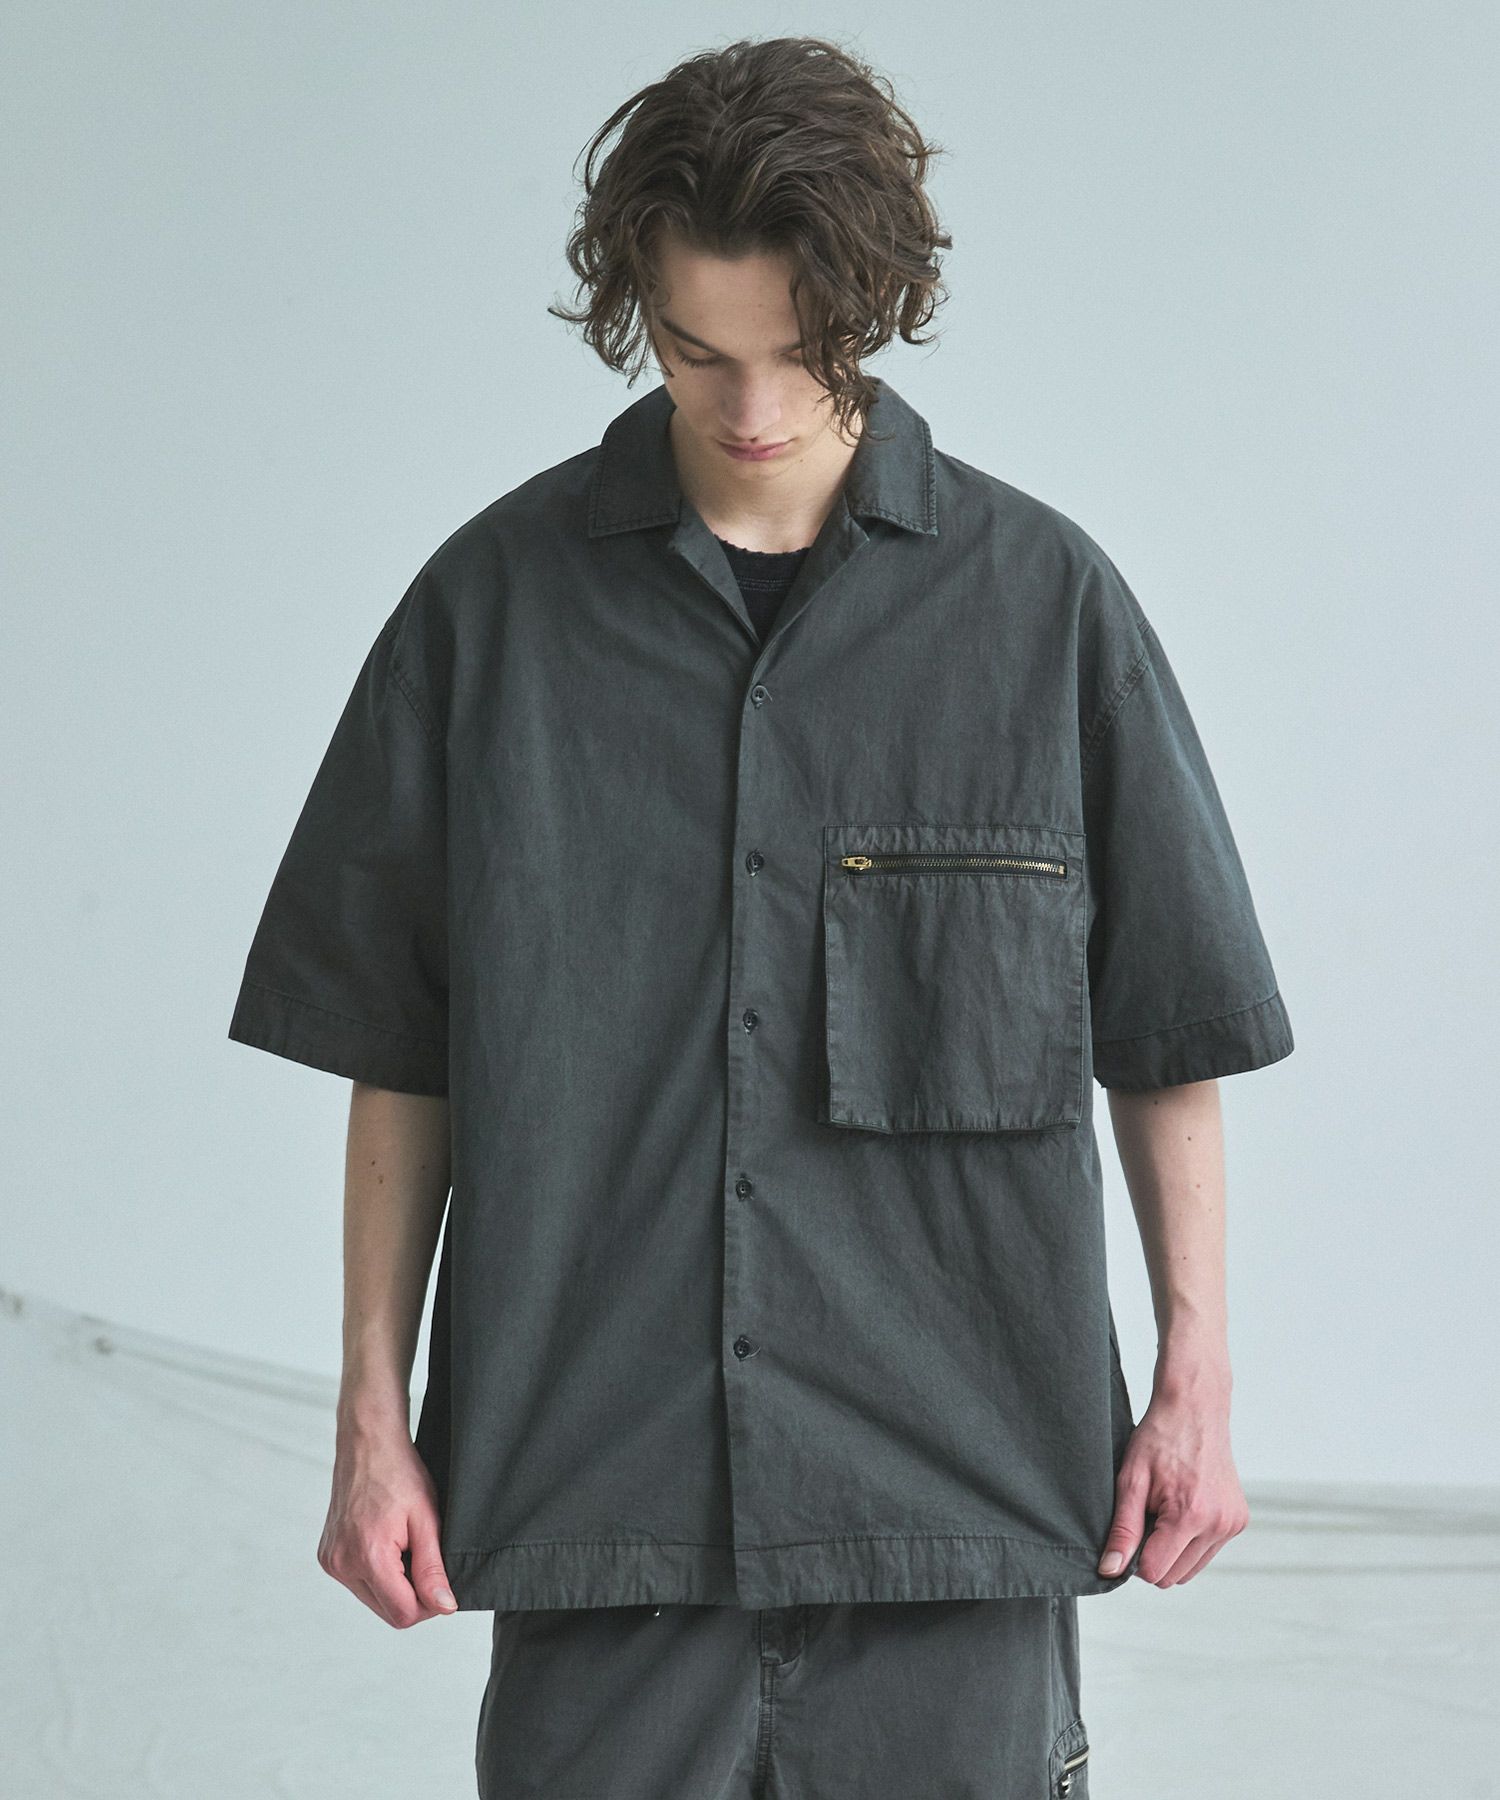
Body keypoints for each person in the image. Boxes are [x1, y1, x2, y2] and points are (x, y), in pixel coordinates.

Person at [227, 34, 1294, 1799]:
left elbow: (1168, 1031)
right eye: (696, 351)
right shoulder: (487, 618)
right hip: (600, 1504)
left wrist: (1198, 1379)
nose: (749, 409)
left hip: (953, 1504)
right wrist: (369, 1414)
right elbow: (398, 1054)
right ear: (635, 307)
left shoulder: (1046, 614)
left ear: (876, 308)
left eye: (800, 354)